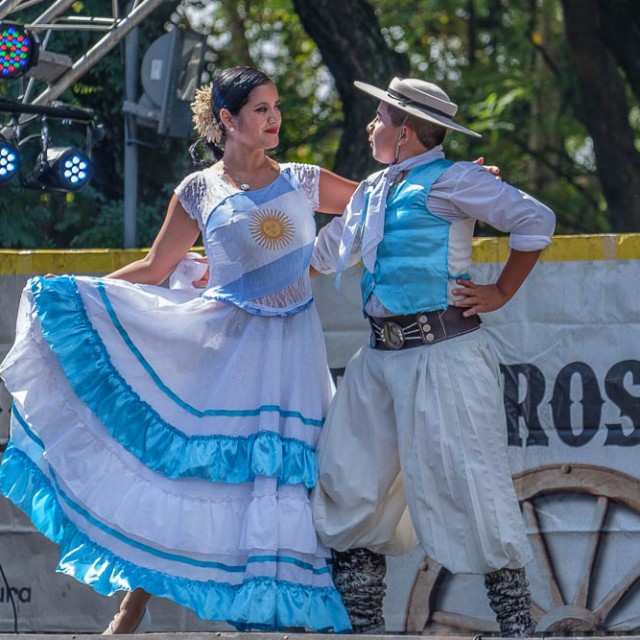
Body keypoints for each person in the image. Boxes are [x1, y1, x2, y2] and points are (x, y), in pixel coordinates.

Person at [0, 66, 358, 634]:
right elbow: (155, 268)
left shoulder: (303, 180)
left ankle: (268, 615)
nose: (274, 120)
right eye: (261, 109)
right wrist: (80, 299)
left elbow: (381, 205)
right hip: (226, 356)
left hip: (292, 356)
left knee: (280, 484)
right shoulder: (199, 189)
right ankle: (132, 607)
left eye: (276, 107)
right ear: (227, 120)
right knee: (193, 479)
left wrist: (452, 181)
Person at [309, 76, 556, 637]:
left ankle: (520, 629)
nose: (372, 126)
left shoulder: (455, 180)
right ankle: (364, 630)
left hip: (443, 353)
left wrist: (500, 292)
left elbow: (534, 220)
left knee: (474, 489)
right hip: (379, 359)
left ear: (406, 131)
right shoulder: (373, 189)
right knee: (348, 485)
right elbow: (323, 255)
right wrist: (232, 275)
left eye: (379, 118)